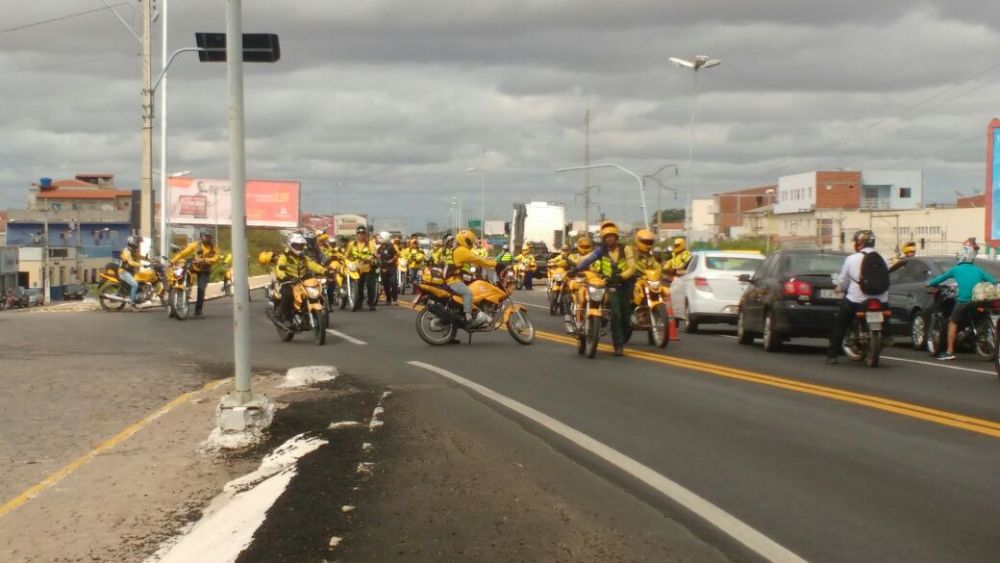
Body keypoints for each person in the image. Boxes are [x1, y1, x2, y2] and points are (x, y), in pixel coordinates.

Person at [572, 221, 637, 356]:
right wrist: (575, 270)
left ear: (616, 237)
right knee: (616, 315)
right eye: (607, 237)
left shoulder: (626, 249)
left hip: (625, 285)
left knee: (626, 317)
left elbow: (632, 268)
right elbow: (588, 260)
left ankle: (622, 337)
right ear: (603, 239)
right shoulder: (601, 250)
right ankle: (618, 345)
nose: (610, 239)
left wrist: (620, 277)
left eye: (612, 236)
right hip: (610, 287)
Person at [825, 230, 889, 364]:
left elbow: (843, 281)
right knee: (886, 315)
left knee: (841, 324)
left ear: (860, 243)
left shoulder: (851, 259)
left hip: (856, 299)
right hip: (880, 299)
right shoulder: (883, 258)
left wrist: (839, 289)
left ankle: (832, 355)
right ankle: (887, 334)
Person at [927, 245, 997, 361]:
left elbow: (941, 278)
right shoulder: (978, 270)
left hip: (963, 301)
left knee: (952, 322)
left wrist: (930, 284)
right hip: (977, 301)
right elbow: (993, 281)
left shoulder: (956, 269)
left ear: (960, 257)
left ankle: (949, 351)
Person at [274, 233, 326, 328]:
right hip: (288, 281)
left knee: (312, 293)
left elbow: (313, 265)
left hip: (301, 281)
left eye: (301, 246)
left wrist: (324, 270)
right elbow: (279, 268)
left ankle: (306, 315)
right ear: (291, 245)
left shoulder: (304, 258)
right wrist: (284, 276)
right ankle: (282, 316)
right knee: (288, 295)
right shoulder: (284, 257)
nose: (299, 248)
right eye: (296, 246)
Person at [448, 229, 497, 327]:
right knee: (468, 293)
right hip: (453, 280)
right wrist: (494, 263)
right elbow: (478, 259)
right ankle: (469, 318)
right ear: (466, 240)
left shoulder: (458, 249)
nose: (471, 243)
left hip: (456, 278)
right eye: (470, 241)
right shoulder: (462, 250)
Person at [171, 229, 221, 318]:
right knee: (180, 273)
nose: (208, 238)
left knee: (201, 289)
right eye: (207, 236)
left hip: (204, 270)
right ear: (201, 237)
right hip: (193, 267)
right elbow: (183, 253)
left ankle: (198, 311)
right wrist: (173, 261)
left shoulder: (213, 247)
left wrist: (205, 260)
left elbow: (216, 258)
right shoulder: (196, 245)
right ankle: (177, 294)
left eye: (210, 237)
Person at [347, 225, 379, 311]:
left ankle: (371, 304)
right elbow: (346, 255)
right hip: (356, 269)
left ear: (366, 234)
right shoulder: (352, 244)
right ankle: (359, 303)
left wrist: (371, 256)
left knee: (370, 285)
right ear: (357, 234)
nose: (361, 235)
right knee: (358, 286)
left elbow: (374, 252)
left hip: (368, 267)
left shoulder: (370, 243)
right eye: (360, 233)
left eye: (363, 233)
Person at [119, 234, 145, 308]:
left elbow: (138, 256)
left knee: (141, 282)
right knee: (135, 285)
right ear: (133, 242)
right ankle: (132, 304)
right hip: (124, 272)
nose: (138, 244)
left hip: (130, 272)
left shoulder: (131, 250)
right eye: (137, 242)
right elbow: (131, 263)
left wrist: (149, 260)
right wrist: (142, 265)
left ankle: (137, 297)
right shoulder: (127, 251)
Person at [377, 231, 400, 305]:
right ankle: (388, 300)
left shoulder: (391, 246)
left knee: (393, 283)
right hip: (383, 268)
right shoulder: (380, 248)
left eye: (381, 238)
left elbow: (397, 255)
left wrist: (392, 260)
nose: (379, 239)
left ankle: (395, 299)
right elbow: (377, 255)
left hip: (391, 268)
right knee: (386, 284)